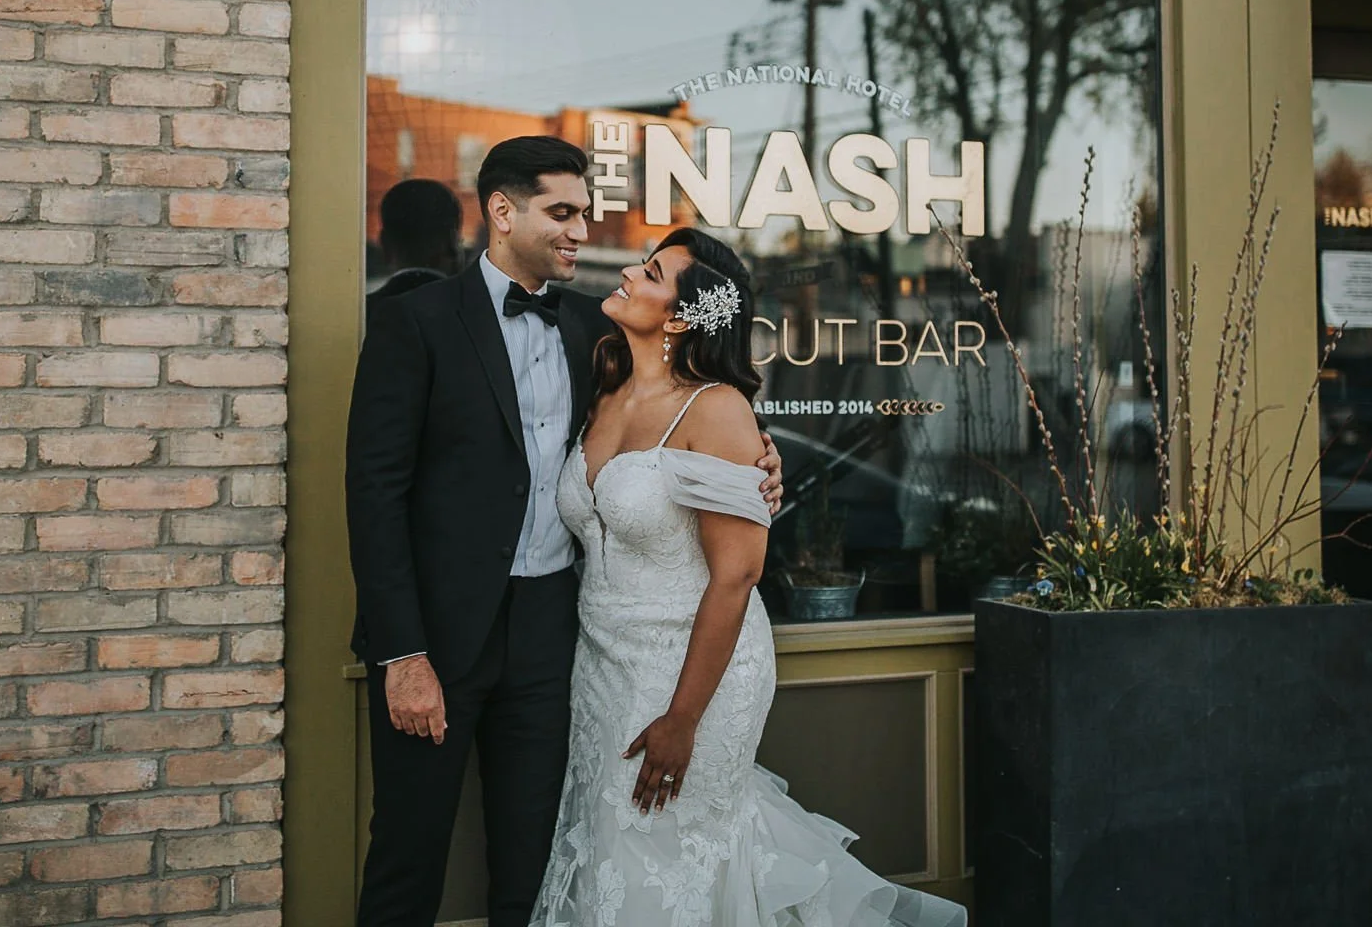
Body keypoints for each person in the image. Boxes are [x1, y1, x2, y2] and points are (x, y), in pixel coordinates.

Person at [345, 138, 782, 927]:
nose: (582, 230)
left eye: (586, 211)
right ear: (502, 212)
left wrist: (760, 465)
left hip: (558, 640)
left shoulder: (599, 330)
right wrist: (401, 652)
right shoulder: (415, 324)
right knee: (407, 857)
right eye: (563, 212)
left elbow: (687, 418)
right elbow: (374, 496)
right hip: (437, 638)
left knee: (537, 862)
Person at [531, 227, 968, 927]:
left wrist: (683, 718)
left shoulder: (717, 410)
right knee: (612, 844)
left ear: (679, 317)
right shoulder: (603, 384)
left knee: (675, 850)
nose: (627, 276)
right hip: (603, 662)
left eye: (648, 274)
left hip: (694, 667)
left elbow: (736, 578)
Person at [372, 177, 464, 300]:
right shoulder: (478, 313)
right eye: (459, 241)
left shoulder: (360, 312)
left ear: (385, 244)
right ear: (452, 244)